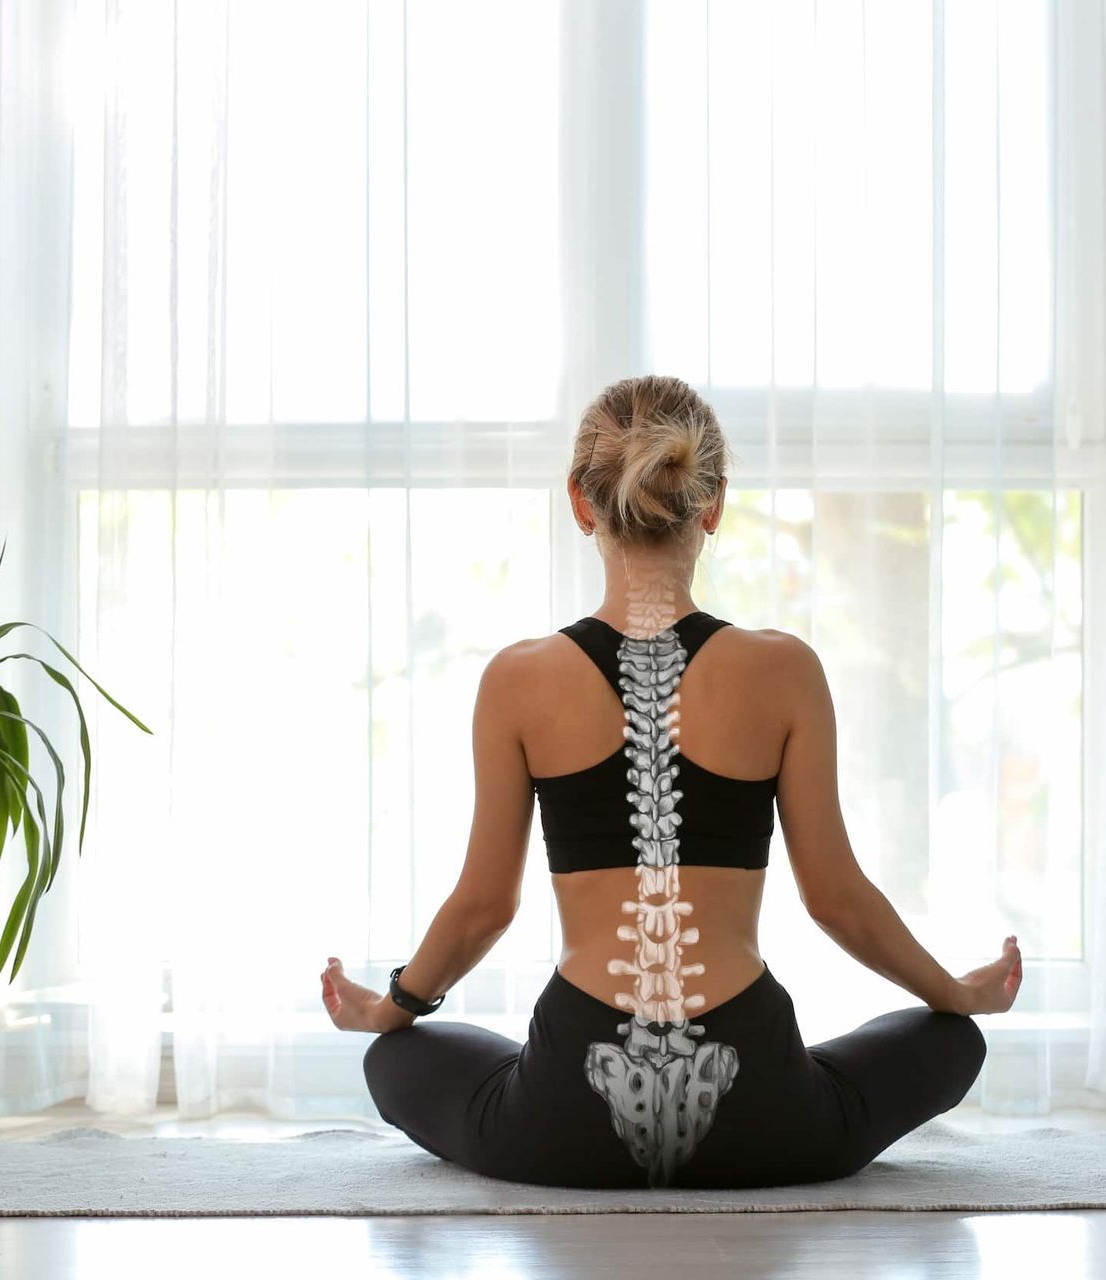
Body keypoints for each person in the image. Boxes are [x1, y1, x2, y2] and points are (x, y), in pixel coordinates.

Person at [321, 374, 1022, 1190]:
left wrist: (392, 1007)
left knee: (397, 1060)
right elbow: (835, 897)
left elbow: (486, 906)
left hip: (565, 1115)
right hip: (761, 1108)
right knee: (950, 1042)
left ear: (582, 504)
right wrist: (952, 992)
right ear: (713, 502)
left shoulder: (519, 679)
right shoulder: (784, 669)